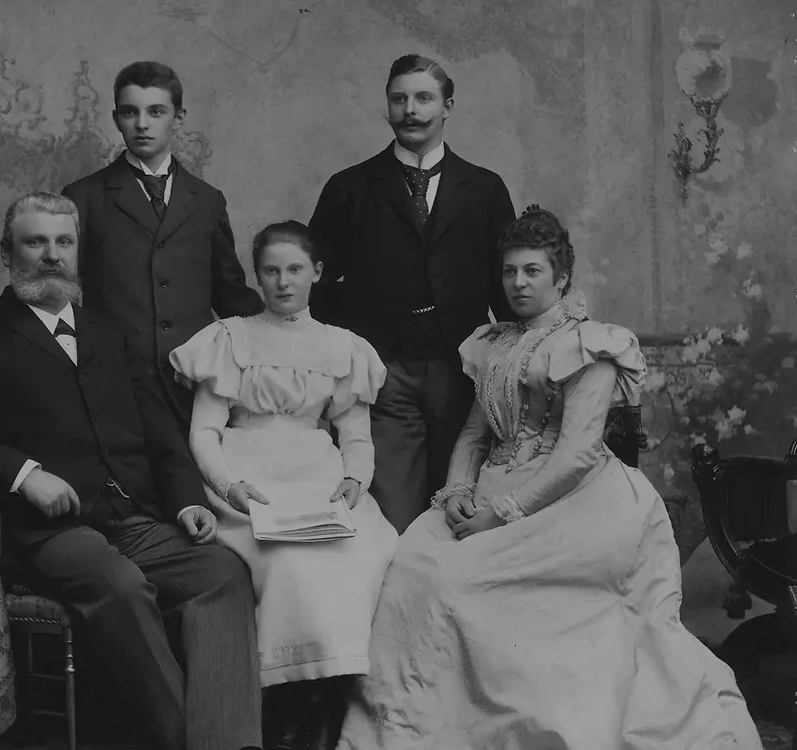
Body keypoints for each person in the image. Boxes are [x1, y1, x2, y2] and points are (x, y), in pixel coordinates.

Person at [336, 207, 762, 749]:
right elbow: (474, 434)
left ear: (561, 278)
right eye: (510, 272)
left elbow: (578, 455)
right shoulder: (493, 343)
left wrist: (503, 513)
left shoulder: (590, 345)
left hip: (574, 502)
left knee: (458, 584)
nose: (518, 283)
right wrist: (459, 493)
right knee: (411, 565)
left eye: (532, 271)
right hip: (491, 488)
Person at [0, 193, 263, 750]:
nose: (51, 255)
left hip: (135, 514)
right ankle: (183, 742)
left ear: (78, 253)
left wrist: (188, 500)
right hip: (49, 530)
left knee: (221, 572)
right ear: (7, 252)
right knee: (119, 586)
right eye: (35, 242)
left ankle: (226, 743)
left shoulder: (110, 333)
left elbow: (159, 429)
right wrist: (24, 474)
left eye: (63, 242)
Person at [169, 221, 398, 750]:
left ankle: (329, 699)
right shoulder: (230, 338)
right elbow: (203, 433)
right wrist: (230, 487)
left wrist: (353, 481)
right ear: (258, 276)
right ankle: (284, 703)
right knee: (290, 564)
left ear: (316, 273)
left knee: (362, 552)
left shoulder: (343, 347)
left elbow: (357, 438)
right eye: (270, 271)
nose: (283, 282)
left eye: (295, 269)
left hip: (319, 477)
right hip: (249, 481)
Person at [309, 54, 517, 534]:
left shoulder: (484, 189)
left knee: (458, 503)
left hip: (461, 367)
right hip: (384, 371)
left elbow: (505, 284)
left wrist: (511, 356)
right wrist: (354, 341)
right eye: (399, 98)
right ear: (387, 107)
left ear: (448, 106)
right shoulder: (350, 188)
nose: (411, 110)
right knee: (393, 510)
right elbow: (315, 283)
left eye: (424, 98)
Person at [62, 61, 263, 432]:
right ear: (116, 118)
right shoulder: (84, 197)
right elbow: (60, 293)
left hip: (193, 386)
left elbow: (230, 293)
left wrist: (284, 334)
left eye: (156, 112)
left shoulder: (206, 200)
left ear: (179, 117)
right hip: (118, 384)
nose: (142, 124)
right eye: (130, 112)